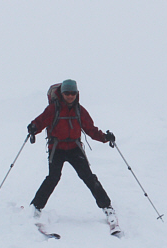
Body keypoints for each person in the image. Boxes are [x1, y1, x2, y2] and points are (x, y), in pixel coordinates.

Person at [27, 79, 116, 222]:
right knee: (53, 178)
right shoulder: (53, 109)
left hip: (74, 148)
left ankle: (107, 206)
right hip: (57, 148)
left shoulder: (79, 110)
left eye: (73, 93)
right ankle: (36, 207)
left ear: (77, 93)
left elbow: (91, 129)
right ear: (62, 93)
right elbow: (41, 121)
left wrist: (105, 138)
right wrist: (33, 128)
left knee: (88, 177)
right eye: (67, 93)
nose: (70, 96)